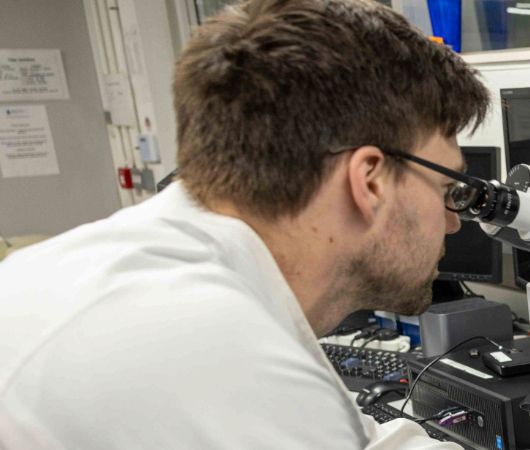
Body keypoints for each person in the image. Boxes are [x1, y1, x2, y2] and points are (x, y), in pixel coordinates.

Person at [0, 0, 490, 448]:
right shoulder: (206, 345)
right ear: (370, 181)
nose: (451, 222)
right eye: (448, 189)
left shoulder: (156, 270)